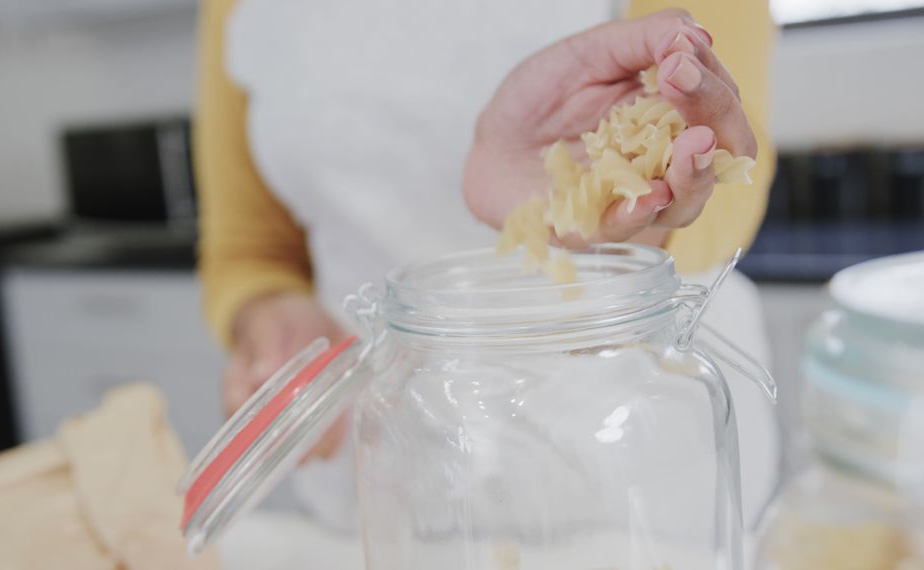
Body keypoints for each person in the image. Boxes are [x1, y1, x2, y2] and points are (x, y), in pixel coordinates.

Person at [195, 0, 778, 528]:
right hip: (388, 453)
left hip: (644, 441)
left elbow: (728, 164)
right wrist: (270, 313)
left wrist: (627, 204)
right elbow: (250, 246)